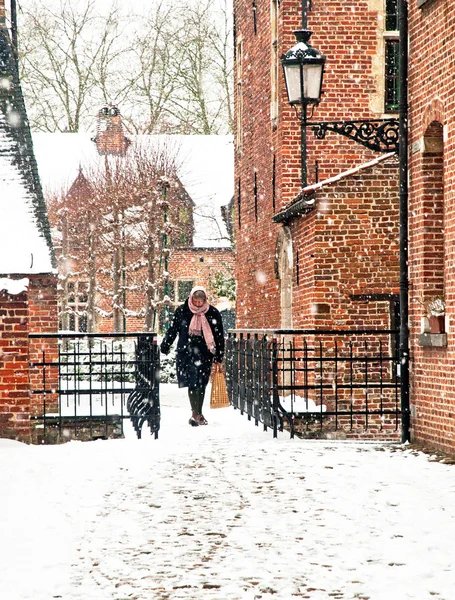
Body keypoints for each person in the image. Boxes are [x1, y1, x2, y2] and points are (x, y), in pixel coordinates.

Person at [160, 286, 225, 426]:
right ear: (191, 298)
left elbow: (219, 336)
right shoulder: (182, 311)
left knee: (201, 383)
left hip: (205, 353)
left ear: (205, 300)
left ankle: (197, 413)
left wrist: (219, 355)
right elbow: (173, 329)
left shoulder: (213, 313)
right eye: (195, 301)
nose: (198, 304)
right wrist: (165, 345)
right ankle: (196, 413)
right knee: (192, 383)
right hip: (187, 352)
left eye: (200, 302)